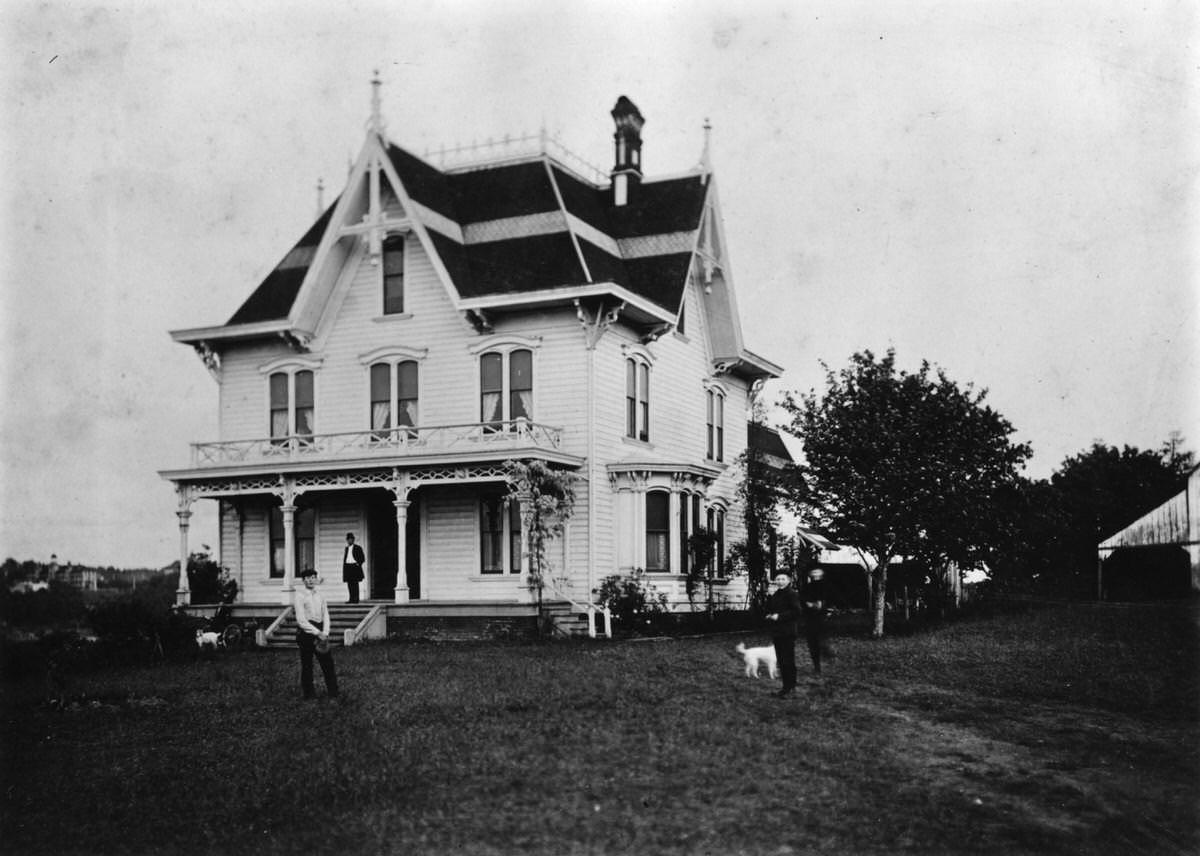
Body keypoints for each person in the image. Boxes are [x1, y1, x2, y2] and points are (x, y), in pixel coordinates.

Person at [295, 567, 339, 700]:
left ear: (316, 579)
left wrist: (325, 632)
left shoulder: (320, 595)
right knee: (307, 665)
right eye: (307, 578)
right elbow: (301, 620)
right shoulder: (300, 596)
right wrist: (317, 632)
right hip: (306, 633)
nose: (311, 580)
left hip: (321, 631)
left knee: (328, 664)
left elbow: (326, 614)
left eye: (313, 577)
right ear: (303, 580)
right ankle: (309, 695)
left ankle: (334, 693)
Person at [764, 572, 803, 698]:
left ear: (789, 580)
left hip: (788, 632)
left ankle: (791, 688)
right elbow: (770, 609)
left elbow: (797, 611)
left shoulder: (792, 594)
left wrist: (779, 616)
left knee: (788, 661)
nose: (780, 581)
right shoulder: (776, 594)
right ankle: (785, 688)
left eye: (783, 579)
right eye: (778, 579)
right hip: (778, 632)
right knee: (781, 661)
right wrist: (769, 599)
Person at [802, 566, 828, 677]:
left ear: (822, 572)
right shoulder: (806, 587)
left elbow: (826, 601)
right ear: (810, 573)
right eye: (814, 571)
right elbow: (803, 601)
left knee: (821, 641)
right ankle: (817, 667)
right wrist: (810, 605)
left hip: (824, 618)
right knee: (812, 643)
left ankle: (827, 652)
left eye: (818, 571)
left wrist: (820, 605)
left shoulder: (827, 585)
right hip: (810, 617)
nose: (816, 573)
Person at [342, 532, 365, 603]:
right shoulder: (346, 548)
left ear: (353, 540)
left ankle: (356, 599)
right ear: (347, 540)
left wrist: (358, 563)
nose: (350, 541)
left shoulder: (358, 548)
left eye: (351, 539)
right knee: (349, 584)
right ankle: (351, 599)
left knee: (355, 583)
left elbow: (362, 558)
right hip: (348, 567)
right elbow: (345, 558)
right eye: (348, 539)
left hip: (354, 566)